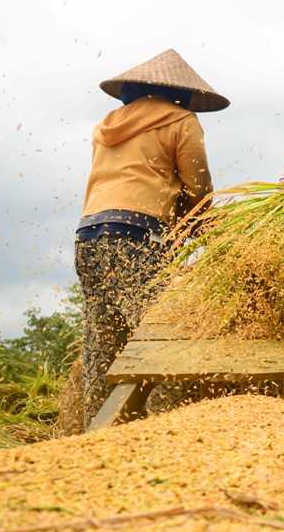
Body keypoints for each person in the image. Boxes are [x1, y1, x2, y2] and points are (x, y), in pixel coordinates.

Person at [75, 48, 229, 428]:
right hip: (137, 239)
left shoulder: (107, 124)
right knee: (161, 338)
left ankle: (95, 438)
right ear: (181, 94)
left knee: (102, 341)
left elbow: (131, 178)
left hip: (89, 236)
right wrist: (203, 222)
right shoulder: (181, 119)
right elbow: (197, 185)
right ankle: (166, 431)